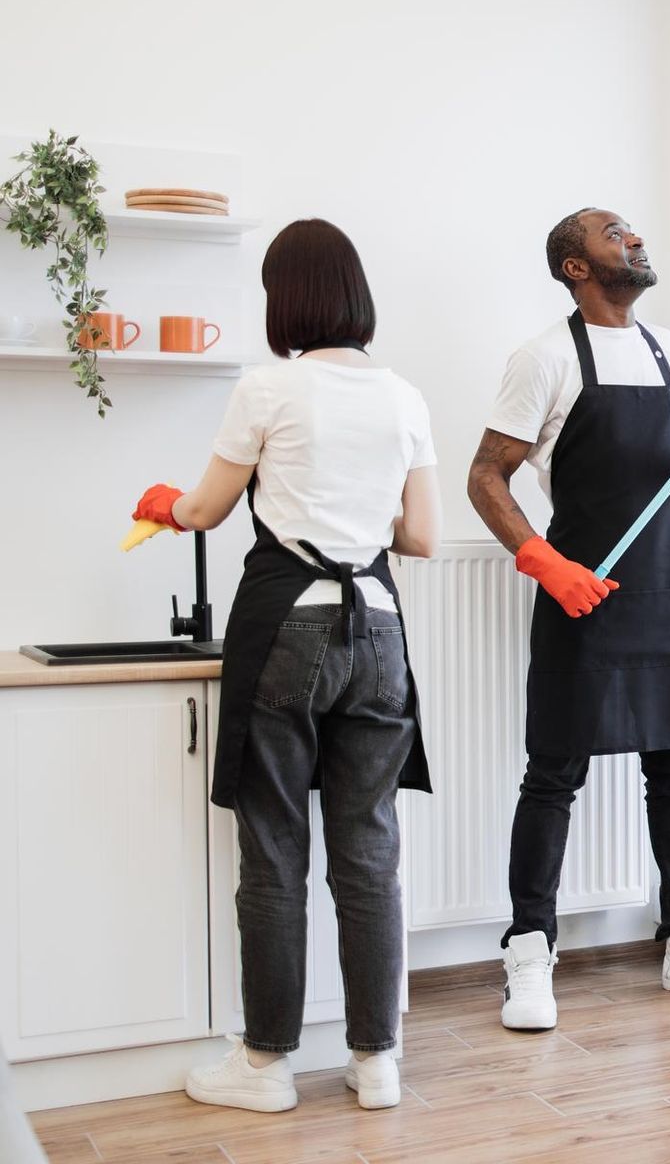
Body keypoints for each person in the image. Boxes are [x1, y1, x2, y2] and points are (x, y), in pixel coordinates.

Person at [132, 219, 440, 1114]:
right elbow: (418, 535)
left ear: (287, 299)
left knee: (274, 852)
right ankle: (376, 1059)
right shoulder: (404, 397)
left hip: (287, 628)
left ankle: (266, 1066)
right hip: (379, 632)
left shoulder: (270, 387)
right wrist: (354, 511)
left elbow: (205, 506)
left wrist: (168, 504)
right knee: (369, 851)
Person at [467, 207, 670, 1031]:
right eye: (611, 232)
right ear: (575, 267)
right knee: (552, 774)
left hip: (665, 586)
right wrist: (544, 563)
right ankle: (529, 949)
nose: (632, 237)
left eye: (631, 229)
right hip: (580, 589)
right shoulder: (545, 358)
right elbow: (486, 476)